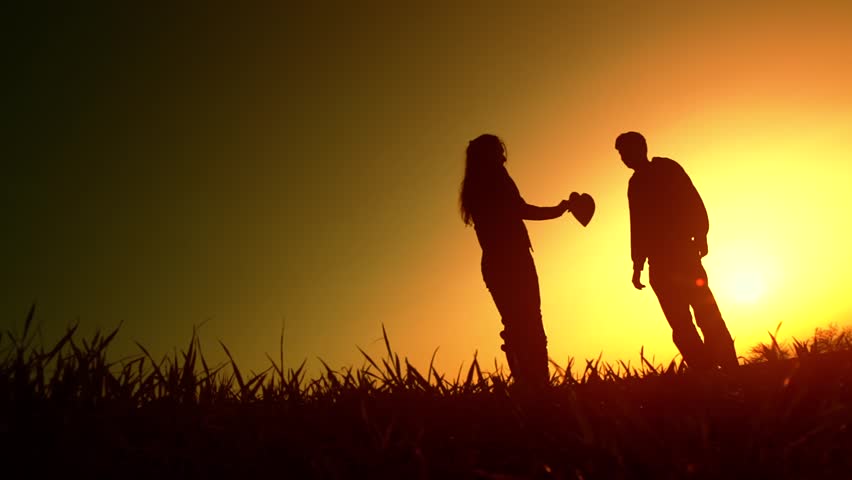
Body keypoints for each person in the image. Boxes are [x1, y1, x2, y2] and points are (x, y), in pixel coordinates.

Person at [459, 133, 577, 390]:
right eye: (498, 151)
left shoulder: (474, 186)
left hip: (493, 263)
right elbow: (520, 209)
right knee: (531, 325)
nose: (503, 156)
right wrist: (557, 211)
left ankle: (526, 386)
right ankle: (538, 386)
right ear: (489, 155)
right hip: (513, 260)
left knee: (514, 326)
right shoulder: (496, 179)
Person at [615, 131, 738, 371]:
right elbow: (638, 226)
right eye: (621, 154)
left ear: (641, 148)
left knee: (707, 314)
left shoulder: (667, 168)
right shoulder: (635, 185)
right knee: (681, 325)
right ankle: (706, 373)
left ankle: (730, 369)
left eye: (626, 152)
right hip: (659, 265)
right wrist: (637, 265)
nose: (624, 158)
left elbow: (691, 198)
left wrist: (701, 232)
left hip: (683, 255)